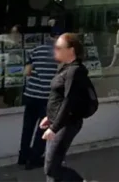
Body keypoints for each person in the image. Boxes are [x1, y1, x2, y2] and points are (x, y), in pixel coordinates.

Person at [40, 33, 91, 182]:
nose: (54, 50)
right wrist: (49, 117)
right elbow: (58, 96)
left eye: (58, 47)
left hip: (66, 124)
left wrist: (54, 128)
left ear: (71, 50)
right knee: (52, 166)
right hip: (56, 121)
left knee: (51, 167)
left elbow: (69, 101)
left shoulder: (75, 71)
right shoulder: (64, 67)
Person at [18, 27, 59, 169]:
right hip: (47, 98)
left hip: (31, 95)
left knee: (27, 127)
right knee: (43, 129)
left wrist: (38, 75)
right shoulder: (60, 54)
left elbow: (27, 72)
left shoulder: (36, 50)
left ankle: (22, 157)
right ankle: (34, 159)